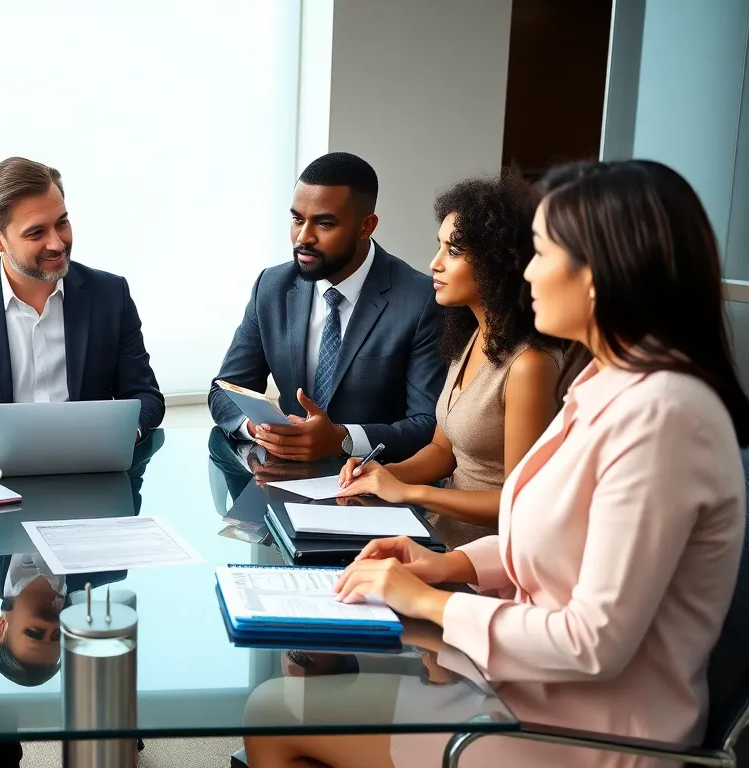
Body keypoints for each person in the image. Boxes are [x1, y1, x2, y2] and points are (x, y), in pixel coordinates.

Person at [244, 160, 749, 768]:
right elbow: (536, 535)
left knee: (276, 711)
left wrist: (431, 601)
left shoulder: (666, 415)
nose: (525, 270)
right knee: (292, 693)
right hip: (526, 691)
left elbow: (593, 644)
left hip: (591, 735)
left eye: (541, 252)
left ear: (601, 272)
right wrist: (442, 563)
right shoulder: (603, 382)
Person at [335, 173, 571, 548]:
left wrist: (411, 493)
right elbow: (442, 452)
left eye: (454, 250)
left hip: (491, 562)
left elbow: (519, 503)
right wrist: (382, 473)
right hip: (441, 541)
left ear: (499, 261)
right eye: (439, 246)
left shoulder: (530, 365)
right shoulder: (470, 336)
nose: (435, 263)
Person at [0, 156, 165, 454]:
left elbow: (145, 394)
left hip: (91, 468)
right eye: (36, 232)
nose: (57, 243)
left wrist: (122, 433)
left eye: (62, 223)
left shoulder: (110, 294)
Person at [209, 151, 446, 465]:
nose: (303, 237)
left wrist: (342, 439)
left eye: (324, 223)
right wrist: (258, 428)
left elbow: (429, 424)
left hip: (377, 485)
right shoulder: (272, 286)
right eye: (297, 219)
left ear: (366, 226)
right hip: (283, 477)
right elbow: (225, 389)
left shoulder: (420, 300)